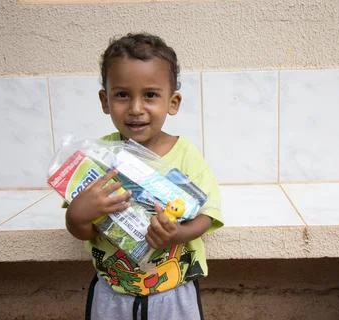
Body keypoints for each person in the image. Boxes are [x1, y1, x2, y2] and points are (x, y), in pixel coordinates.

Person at [65, 32, 223, 320]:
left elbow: (208, 214)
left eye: (150, 95)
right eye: (122, 95)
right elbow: (83, 230)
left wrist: (179, 233)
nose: (136, 109)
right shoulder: (99, 157)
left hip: (173, 294)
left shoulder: (185, 155)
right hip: (112, 295)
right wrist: (77, 216)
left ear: (172, 102)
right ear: (105, 100)